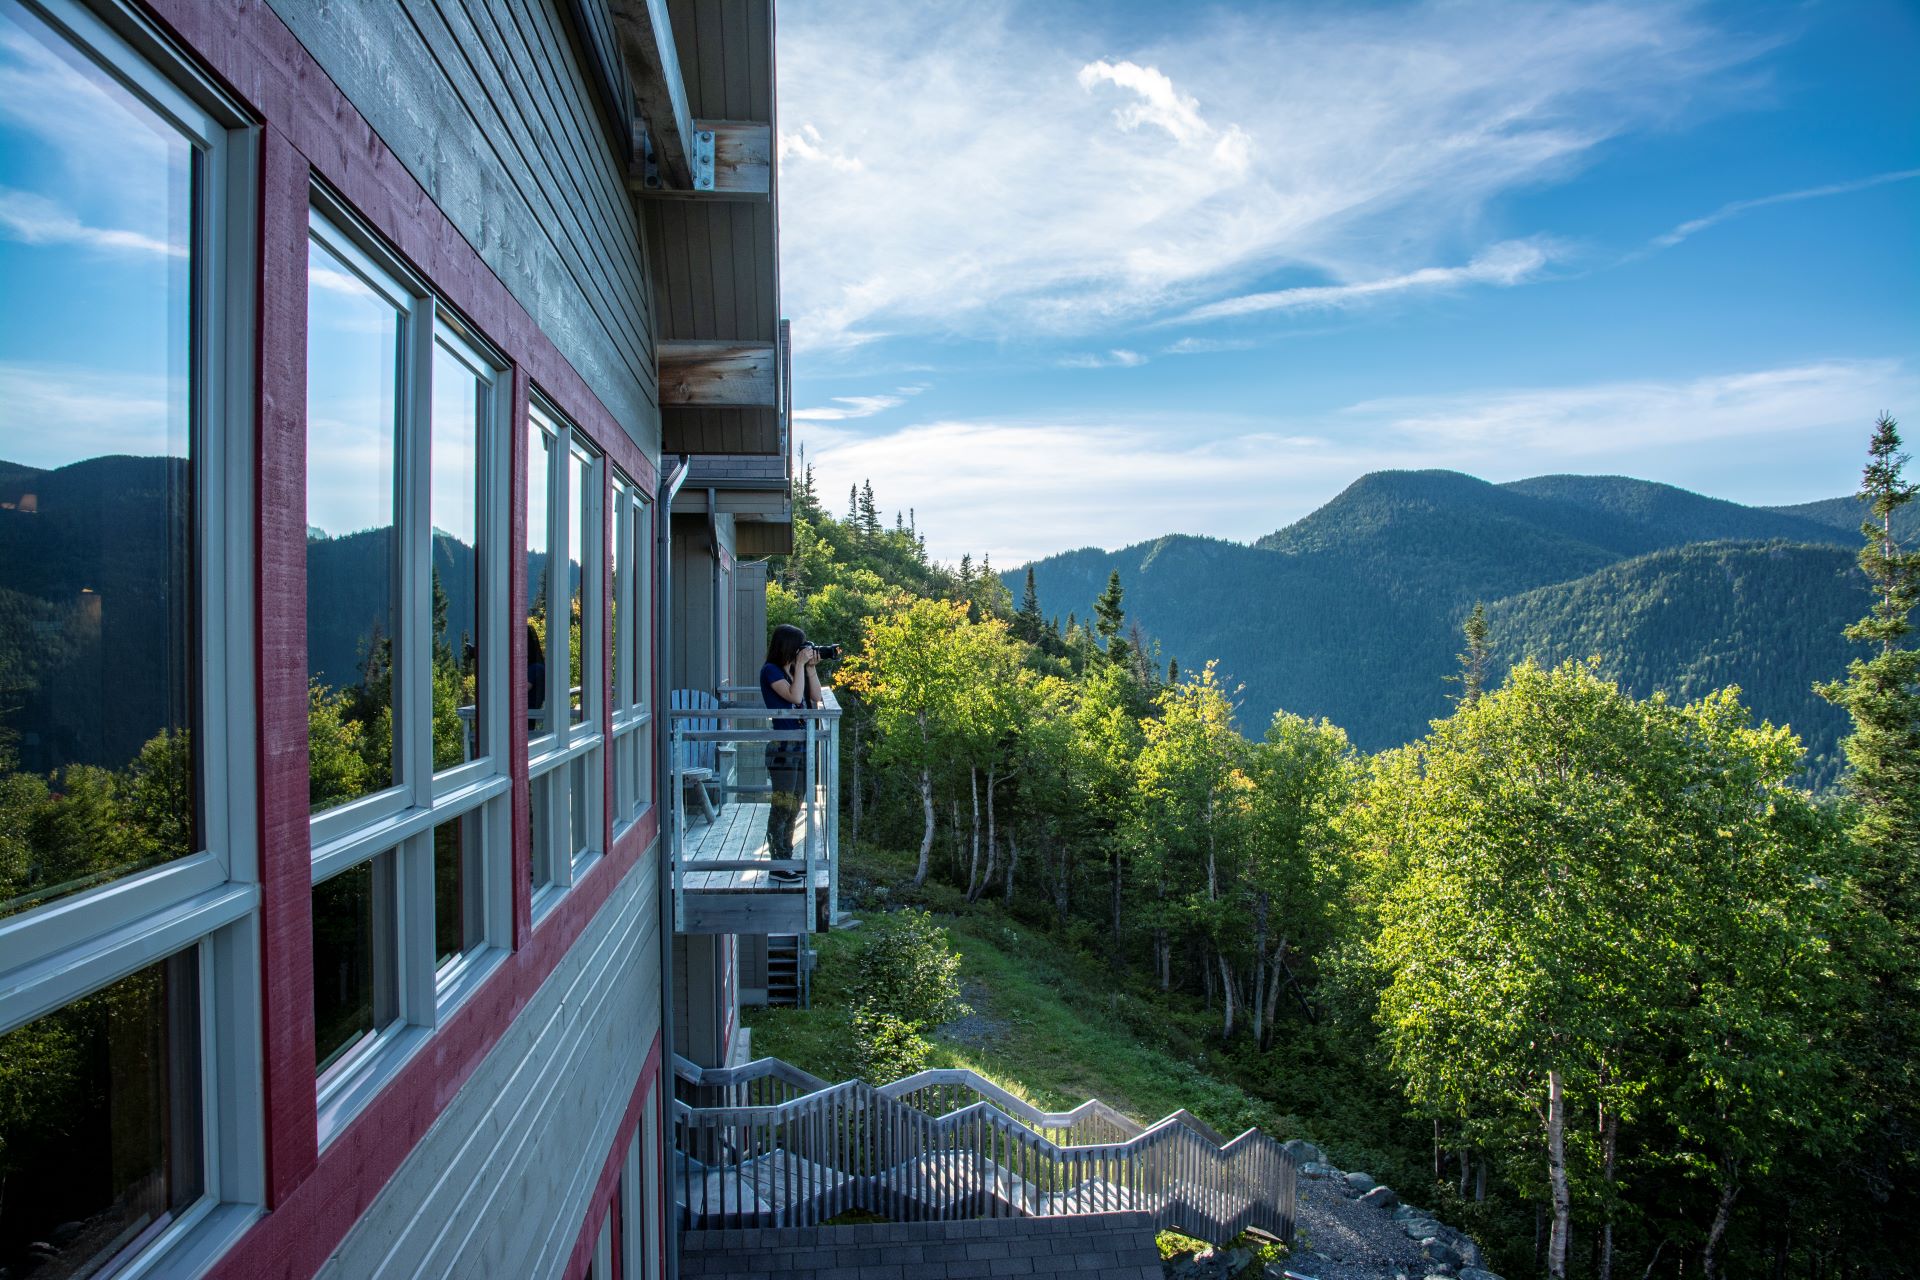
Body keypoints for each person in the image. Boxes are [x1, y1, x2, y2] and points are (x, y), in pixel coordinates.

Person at [759, 624, 822, 882]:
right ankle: (777, 863)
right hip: (783, 746)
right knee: (782, 805)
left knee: (795, 804)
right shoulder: (770, 671)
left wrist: (810, 669)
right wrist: (798, 667)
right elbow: (795, 698)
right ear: (787, 646)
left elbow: (815, 696)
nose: (802, 650)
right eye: (799, 646)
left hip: (801, 745)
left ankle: (787, 856)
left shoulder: (793, 671)